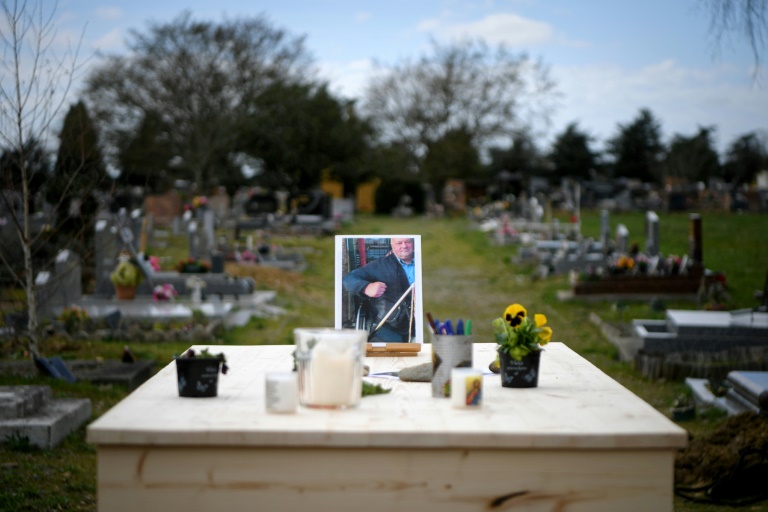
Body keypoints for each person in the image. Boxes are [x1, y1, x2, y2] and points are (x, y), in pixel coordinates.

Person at [342, 237, 415, 342]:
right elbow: (348, 279)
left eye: (408, 242)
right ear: (392, 244)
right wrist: (366, 287)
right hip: (389, 326)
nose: (404, 246)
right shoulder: (379, 266)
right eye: (399, 243)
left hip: (422, 322)